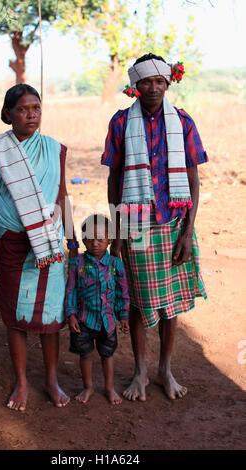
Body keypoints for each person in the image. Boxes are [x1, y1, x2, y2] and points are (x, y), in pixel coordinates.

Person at [101, 53, 208, 401]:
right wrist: (117, 230)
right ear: (135, 85)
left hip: (174, 223)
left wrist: (188, 230)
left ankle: (165, 369)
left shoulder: (183, 122)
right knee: (138, 302)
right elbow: (115, 177)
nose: (153, 88)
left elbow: (193, 178)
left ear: (168, 83)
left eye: (159, 81)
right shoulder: (120, 123)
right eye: (146, 81)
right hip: (136, 224)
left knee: (171, 303)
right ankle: (140, 372)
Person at [0, 84, 79, 411]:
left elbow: (62, 196)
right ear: (8, 114)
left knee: (51, 314)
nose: (32, 114)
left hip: (49, 242)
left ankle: (51, 380)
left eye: (36, 107)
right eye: (23, 109)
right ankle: (21, 380)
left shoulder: (54, 148)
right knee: (16, 314)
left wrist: (73, 239)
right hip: (10, 241)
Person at [64, 214, 130, 405]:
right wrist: (71, 314)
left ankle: (109, 388)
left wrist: (123, 315)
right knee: (85, 354)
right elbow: (71, 290)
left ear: (109, 240)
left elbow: (122, 292)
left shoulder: (116, 265)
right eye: (90, 239)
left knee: (107, 354)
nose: (95, 243)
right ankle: (88, 387)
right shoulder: (77, 264)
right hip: (84, 319)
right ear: (83, 239)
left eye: (100, 238)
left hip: (107, 321)